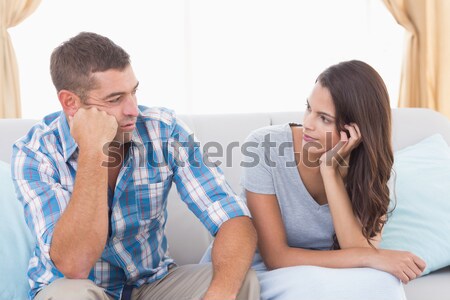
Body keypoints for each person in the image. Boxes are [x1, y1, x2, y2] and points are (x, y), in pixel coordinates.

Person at [12, 32, 259, 300]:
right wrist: (94, 151)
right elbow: (74, 264)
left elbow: (232, 219)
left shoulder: (163, 130)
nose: (133, 110)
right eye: (115, 99)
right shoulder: (36, 153)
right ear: (71, 103)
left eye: (134, 92)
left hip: (151, 284)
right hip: (79, 288)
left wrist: (220, 293)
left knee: (241, 279)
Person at [204, 60, 426, 299]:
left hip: (325, 273)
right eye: (309, 108)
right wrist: (375, 256)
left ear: (357, 130)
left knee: (385, 284)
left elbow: (359, 256)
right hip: (254, 271)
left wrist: (329, 171)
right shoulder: (264, 146)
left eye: (324, 118)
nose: (308, 124)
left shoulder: (375, 170)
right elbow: (276, 258)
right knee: (320, 287)